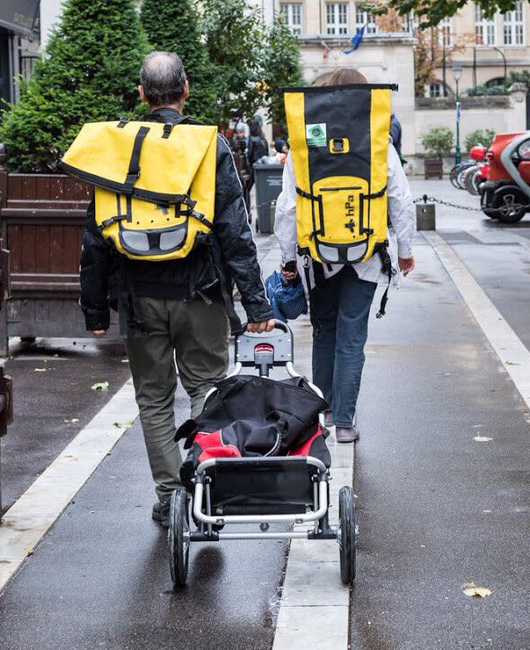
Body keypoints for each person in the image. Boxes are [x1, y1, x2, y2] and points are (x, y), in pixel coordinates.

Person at [79, 51, 275, 527]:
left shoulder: (115, 147)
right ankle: (206, 483)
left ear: (142, 94)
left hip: (138, 297)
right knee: (206, 388)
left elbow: (94, 237)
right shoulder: (210, 146)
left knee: (152, 397)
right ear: (186, 89)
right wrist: (255, 304)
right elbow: (235, 230)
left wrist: (96, 313)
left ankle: (170, 496)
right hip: (202, 292)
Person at [275, 68, 417, 443]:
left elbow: (287, 207)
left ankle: (318, 417)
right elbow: (401, 199)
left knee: (323, 331)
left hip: (317, 255)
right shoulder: (378, 143)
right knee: (352, 336)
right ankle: (345, 422)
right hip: (368, 254)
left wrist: (288, 258)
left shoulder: (304, 146)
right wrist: (405, 250)